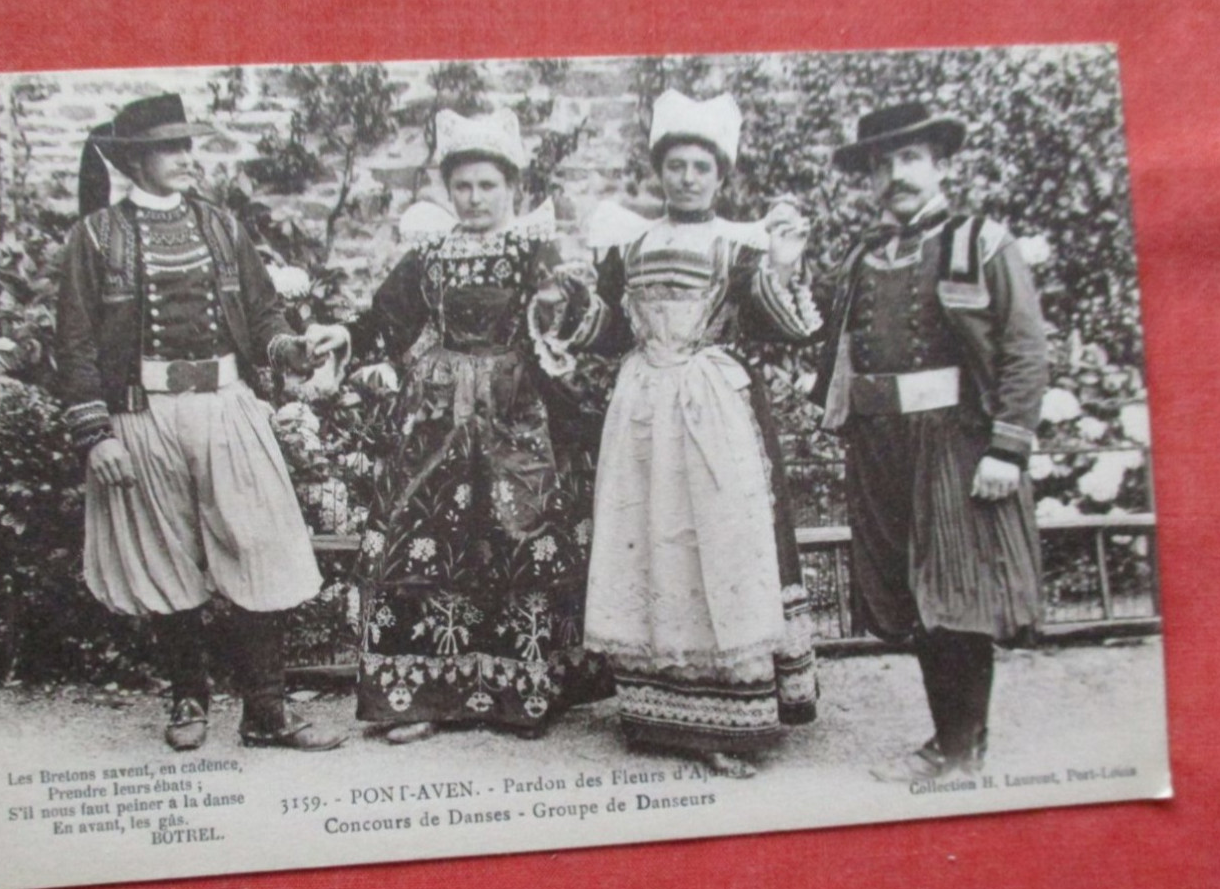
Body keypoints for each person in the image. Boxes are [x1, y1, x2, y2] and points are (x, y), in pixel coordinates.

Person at [294, 109, 611, 743]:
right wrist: (344, 335)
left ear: (511, 189)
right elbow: (386, 316)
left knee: (519, 540)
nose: (474, 198)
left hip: (514, 416)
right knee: (426, 539)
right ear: (448, 189)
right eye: (462, 186)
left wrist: (561, 314)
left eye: (487, 185)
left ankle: (520, 692)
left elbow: (567, 318)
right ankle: (421, 698)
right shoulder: (429, 255)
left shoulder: (531, 251)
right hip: (436, 421)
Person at [55, 93, 344, 753]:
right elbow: (74, 345)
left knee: (260, 541)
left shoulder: (220, 226)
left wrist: (293, 348)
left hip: (225, 403)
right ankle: (188, 694)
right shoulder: (95, 237)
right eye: (169, 147)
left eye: (189, 145)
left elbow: (264, 315)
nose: (187, 158)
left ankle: (266, 710)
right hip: (142, 413)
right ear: (132, 160)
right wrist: (95, 434)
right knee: (166, 557)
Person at [578, 90, 823, 779]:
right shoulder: (628, 242)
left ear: (721, 177)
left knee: (718, 539)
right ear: (658, 171)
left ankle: (732, 717)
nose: (686, 178)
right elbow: (605, 329)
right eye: (675, 166)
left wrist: (782, 263)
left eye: (700, 168)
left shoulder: (736, 247)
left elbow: (790, 327)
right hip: (641, 410)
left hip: (711, 407)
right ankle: (655, 711)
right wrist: (565, 311)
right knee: (649, 540)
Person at [814, 102, 1048, 781]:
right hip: (882, 444)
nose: (895, 175)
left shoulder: (980, 240)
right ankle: (948, 741)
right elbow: (842, 352)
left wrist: (1006, 446)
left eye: (908, 159)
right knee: (914, 596)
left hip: (955, 441)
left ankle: (960, 750)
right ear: (867, 178)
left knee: (956, 594)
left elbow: (1024, 348)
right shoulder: (862, 255)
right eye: (880, 164)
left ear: (938, 164)